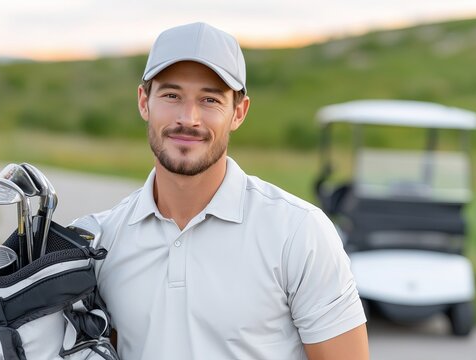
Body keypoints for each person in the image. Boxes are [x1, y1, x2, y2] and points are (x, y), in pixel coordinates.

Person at [76, 22, 368, 360]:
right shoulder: (100, 241)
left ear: (238, 113)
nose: (189, 118)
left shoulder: (299, 233)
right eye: (172, 95)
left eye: (210, 99)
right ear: (144, 102)